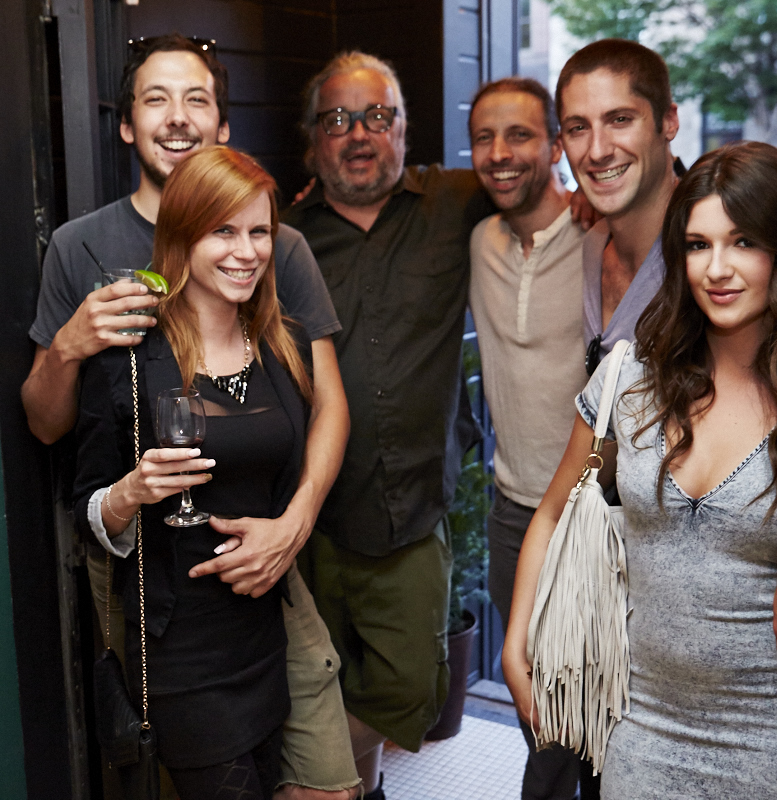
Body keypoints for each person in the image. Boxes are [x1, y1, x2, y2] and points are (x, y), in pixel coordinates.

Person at [21, 34, 359, 800]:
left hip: (265, 582)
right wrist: (72, 345)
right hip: (159, 595)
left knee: (322, 777)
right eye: (155, 99)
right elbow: (52, 434)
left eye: (197, 99)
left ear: (223, 125)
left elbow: (328, 402)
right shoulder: (84, 253)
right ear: (127, 124)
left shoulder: (276, 286)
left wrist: (293, 525)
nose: (243, 252)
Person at [504, 141, 777, 798]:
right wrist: (516, 642)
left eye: (744, 243)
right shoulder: (635, 379)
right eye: (699, 245)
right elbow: (556, 509)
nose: (718, 269)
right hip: (644, 730)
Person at [557, 39, 777, 705]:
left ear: (667, 122)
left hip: (773, 717)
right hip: (630, 653)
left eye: (620, 119)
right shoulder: (591, 249)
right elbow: (566, 490)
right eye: (699, 247)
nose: (717, 268)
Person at [281, 51, 496, 799]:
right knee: (309, 684)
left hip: (410, 512)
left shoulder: (456, 202)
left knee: (411, 690)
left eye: (378, 116)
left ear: (405, 130)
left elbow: (540, 193)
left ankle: (326, 782)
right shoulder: (278, 235)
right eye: (338, 118)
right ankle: (358, 789)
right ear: (313, 140)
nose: (359, 134)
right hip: (307, 517)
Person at [73, 146, 317, 800]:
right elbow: (87, 512)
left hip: (264, 641)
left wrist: (287, 531)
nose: (247, 251)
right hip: (182, 655)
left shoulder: (278, 345)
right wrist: (130, 492)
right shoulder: (129, 359)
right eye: (224, 231)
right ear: (182, 237)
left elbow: (297, 476)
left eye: (259, 231)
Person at [466, 77, 589, 800]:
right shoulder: (478, 238)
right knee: (533, 705)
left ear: (555, 144)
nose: (501, 153)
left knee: (577, 724)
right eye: (485, 137)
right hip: (515, 510)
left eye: (520, 135)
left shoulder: (598, 231)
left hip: (598, 519)